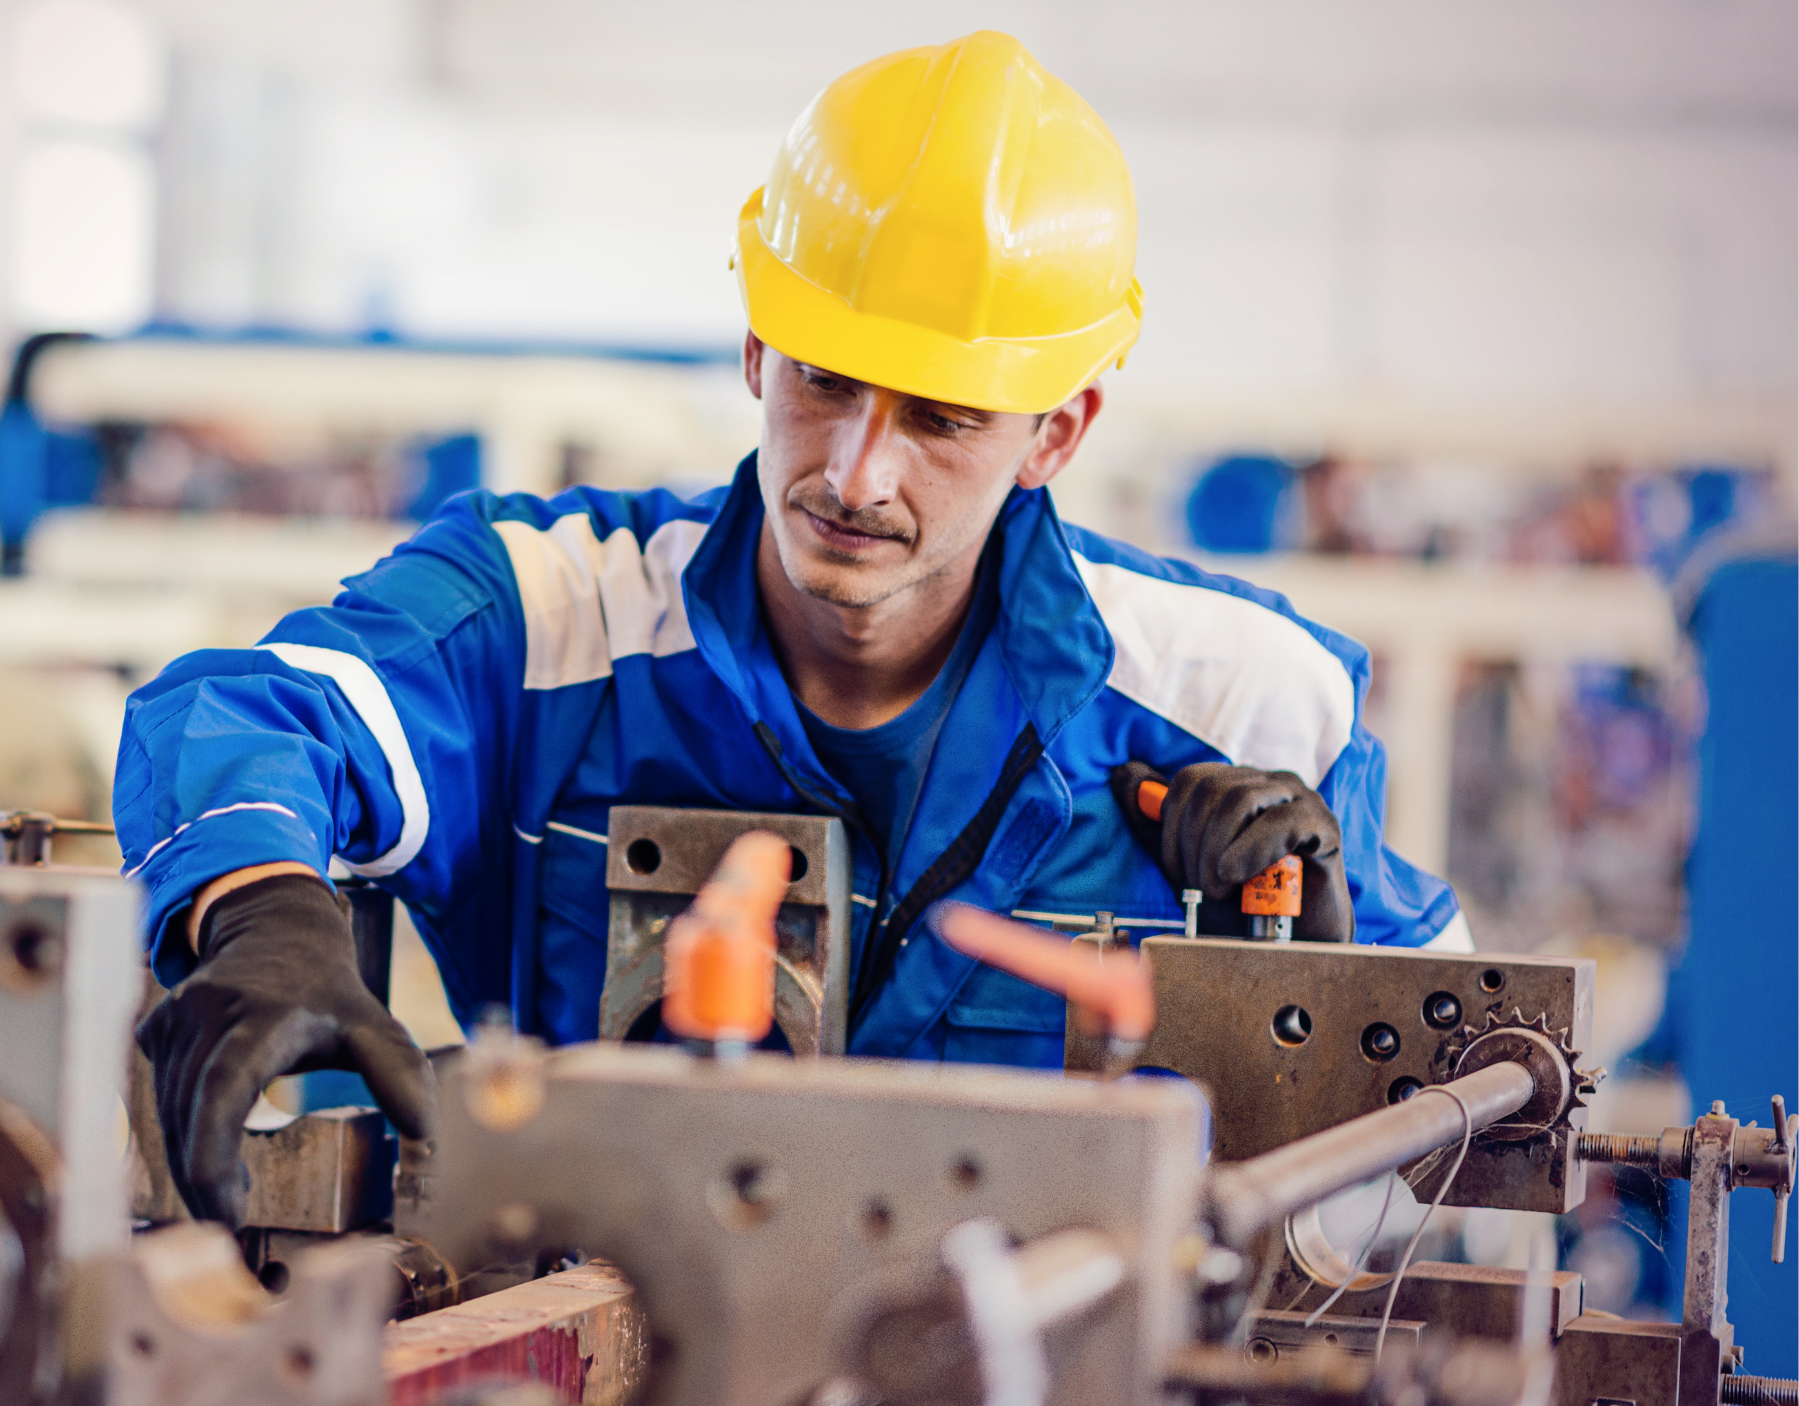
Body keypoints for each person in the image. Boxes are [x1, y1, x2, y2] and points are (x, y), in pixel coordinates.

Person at [115, 31, 1469, 1224]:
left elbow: (1474, 1116)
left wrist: (1315, 992)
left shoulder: (1236, 704)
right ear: (758, 346)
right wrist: (262, 909)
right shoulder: (552, 621)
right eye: (825, 378)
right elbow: (251, 708)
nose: (854, 473)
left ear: (1058, 430)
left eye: (940, 416)